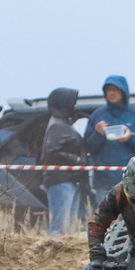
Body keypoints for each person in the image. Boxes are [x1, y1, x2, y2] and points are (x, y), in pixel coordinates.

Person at [82, 74, 135, 191]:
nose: (111, 93)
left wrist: (131, 137)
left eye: (115, 90)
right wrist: (97, 134)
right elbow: (87, 148)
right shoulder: (97, 116)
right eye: (108, 90)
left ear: (123, 91)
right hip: (104, 182)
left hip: (133, 181)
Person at [39, 86, 88, 237]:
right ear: (64, 103)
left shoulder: (62, 123)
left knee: (68, 226)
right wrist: (76, 160)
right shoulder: (57, 125)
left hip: (68, 179)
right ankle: (51, 249)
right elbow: (50, 151)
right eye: (73, 102)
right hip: (61, 180)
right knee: (59, 226)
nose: (75, 106)